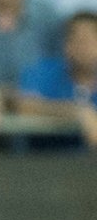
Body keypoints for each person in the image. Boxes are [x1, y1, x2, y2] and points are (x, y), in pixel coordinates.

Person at [17, 10, 97, 149]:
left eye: (88, 40)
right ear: (65, 44)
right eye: (74, 39)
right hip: (44, 163)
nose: (82, 46)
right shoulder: (43, 71)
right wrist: (76, 112)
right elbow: (24, 105)